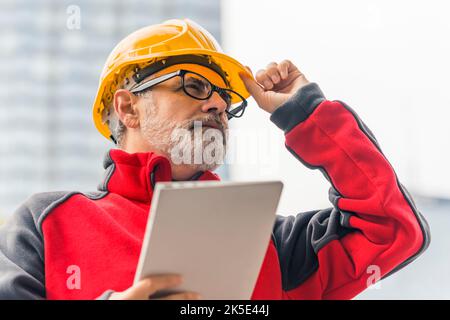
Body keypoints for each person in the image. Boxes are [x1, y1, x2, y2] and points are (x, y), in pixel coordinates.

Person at [0, 19, 430, 300]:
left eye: (225, 99)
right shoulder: (45, 225)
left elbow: (392, 228)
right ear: (129, 108)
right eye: (195, 86)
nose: (219, 107)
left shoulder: (270, 244)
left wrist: (304, 114)